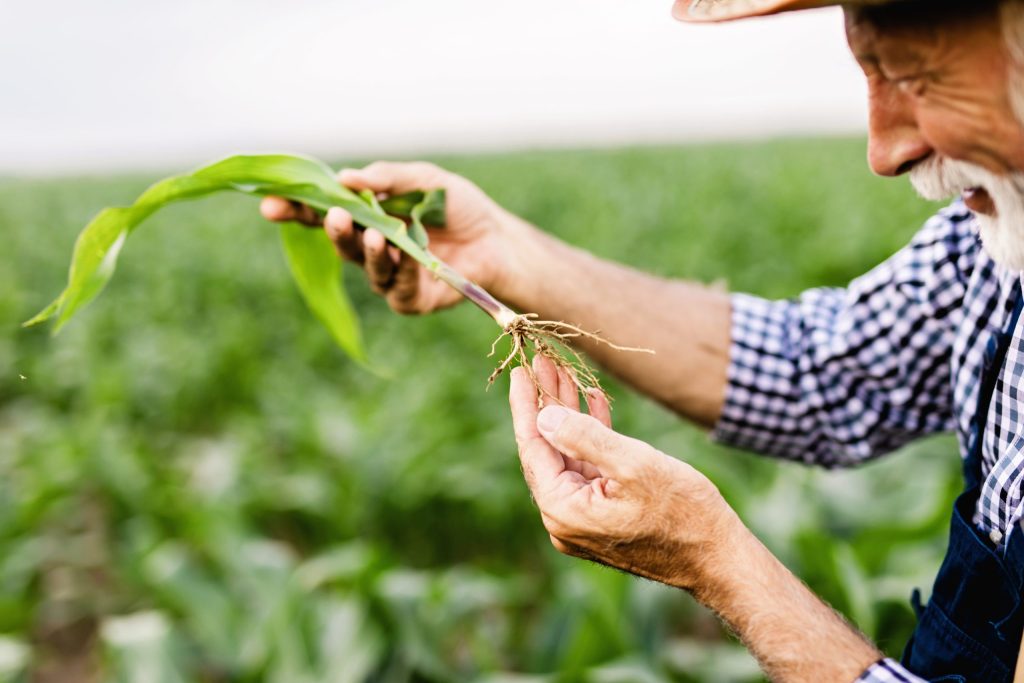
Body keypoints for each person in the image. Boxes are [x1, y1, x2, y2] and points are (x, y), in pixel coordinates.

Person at [261, 0, 1024, 679]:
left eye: (917, 77)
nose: (884, 149)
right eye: (869, 74)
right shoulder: (993, 244)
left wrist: (717, 560)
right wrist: (500, 251)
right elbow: (812, 368)